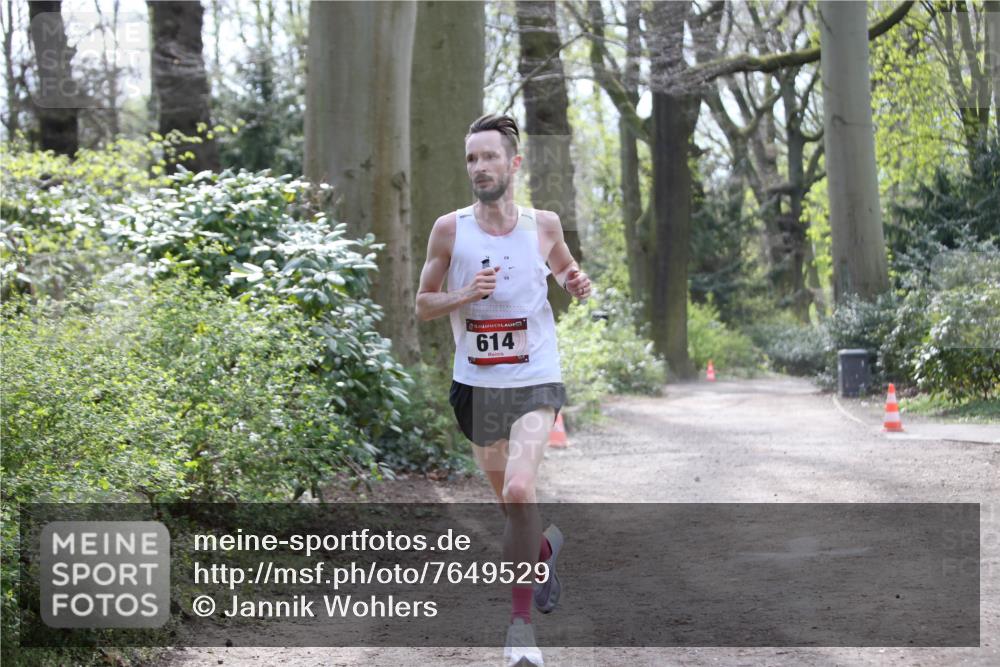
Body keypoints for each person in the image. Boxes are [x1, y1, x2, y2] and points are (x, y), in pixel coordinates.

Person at [415, 113, 591, 667]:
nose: (479, 166)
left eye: (489, 156)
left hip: (535, 376)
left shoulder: (543, 224)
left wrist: (575, 281)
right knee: (513, 508)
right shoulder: (450, 229)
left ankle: (520, 632)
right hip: (476, 385)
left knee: (519, 491)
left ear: (512, 164)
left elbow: (562, 269)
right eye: (471, 158)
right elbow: (422, 304)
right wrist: (465, 294)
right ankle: (542, 550)